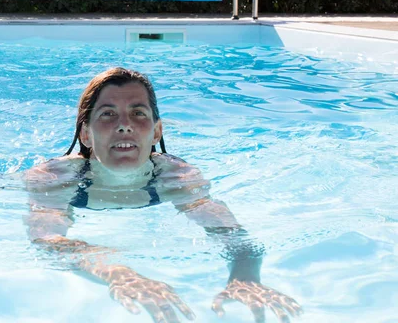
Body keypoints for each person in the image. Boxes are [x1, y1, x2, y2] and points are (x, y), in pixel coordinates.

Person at [25, 67, 302, 323]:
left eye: (138, 113)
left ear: (157, 131)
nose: (124, 125)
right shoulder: (54, 179)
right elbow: (47, 239)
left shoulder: (176, 177)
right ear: (86, 134)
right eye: (108, 114)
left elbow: (229, 232)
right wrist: (116, 271)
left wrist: (245, 276)